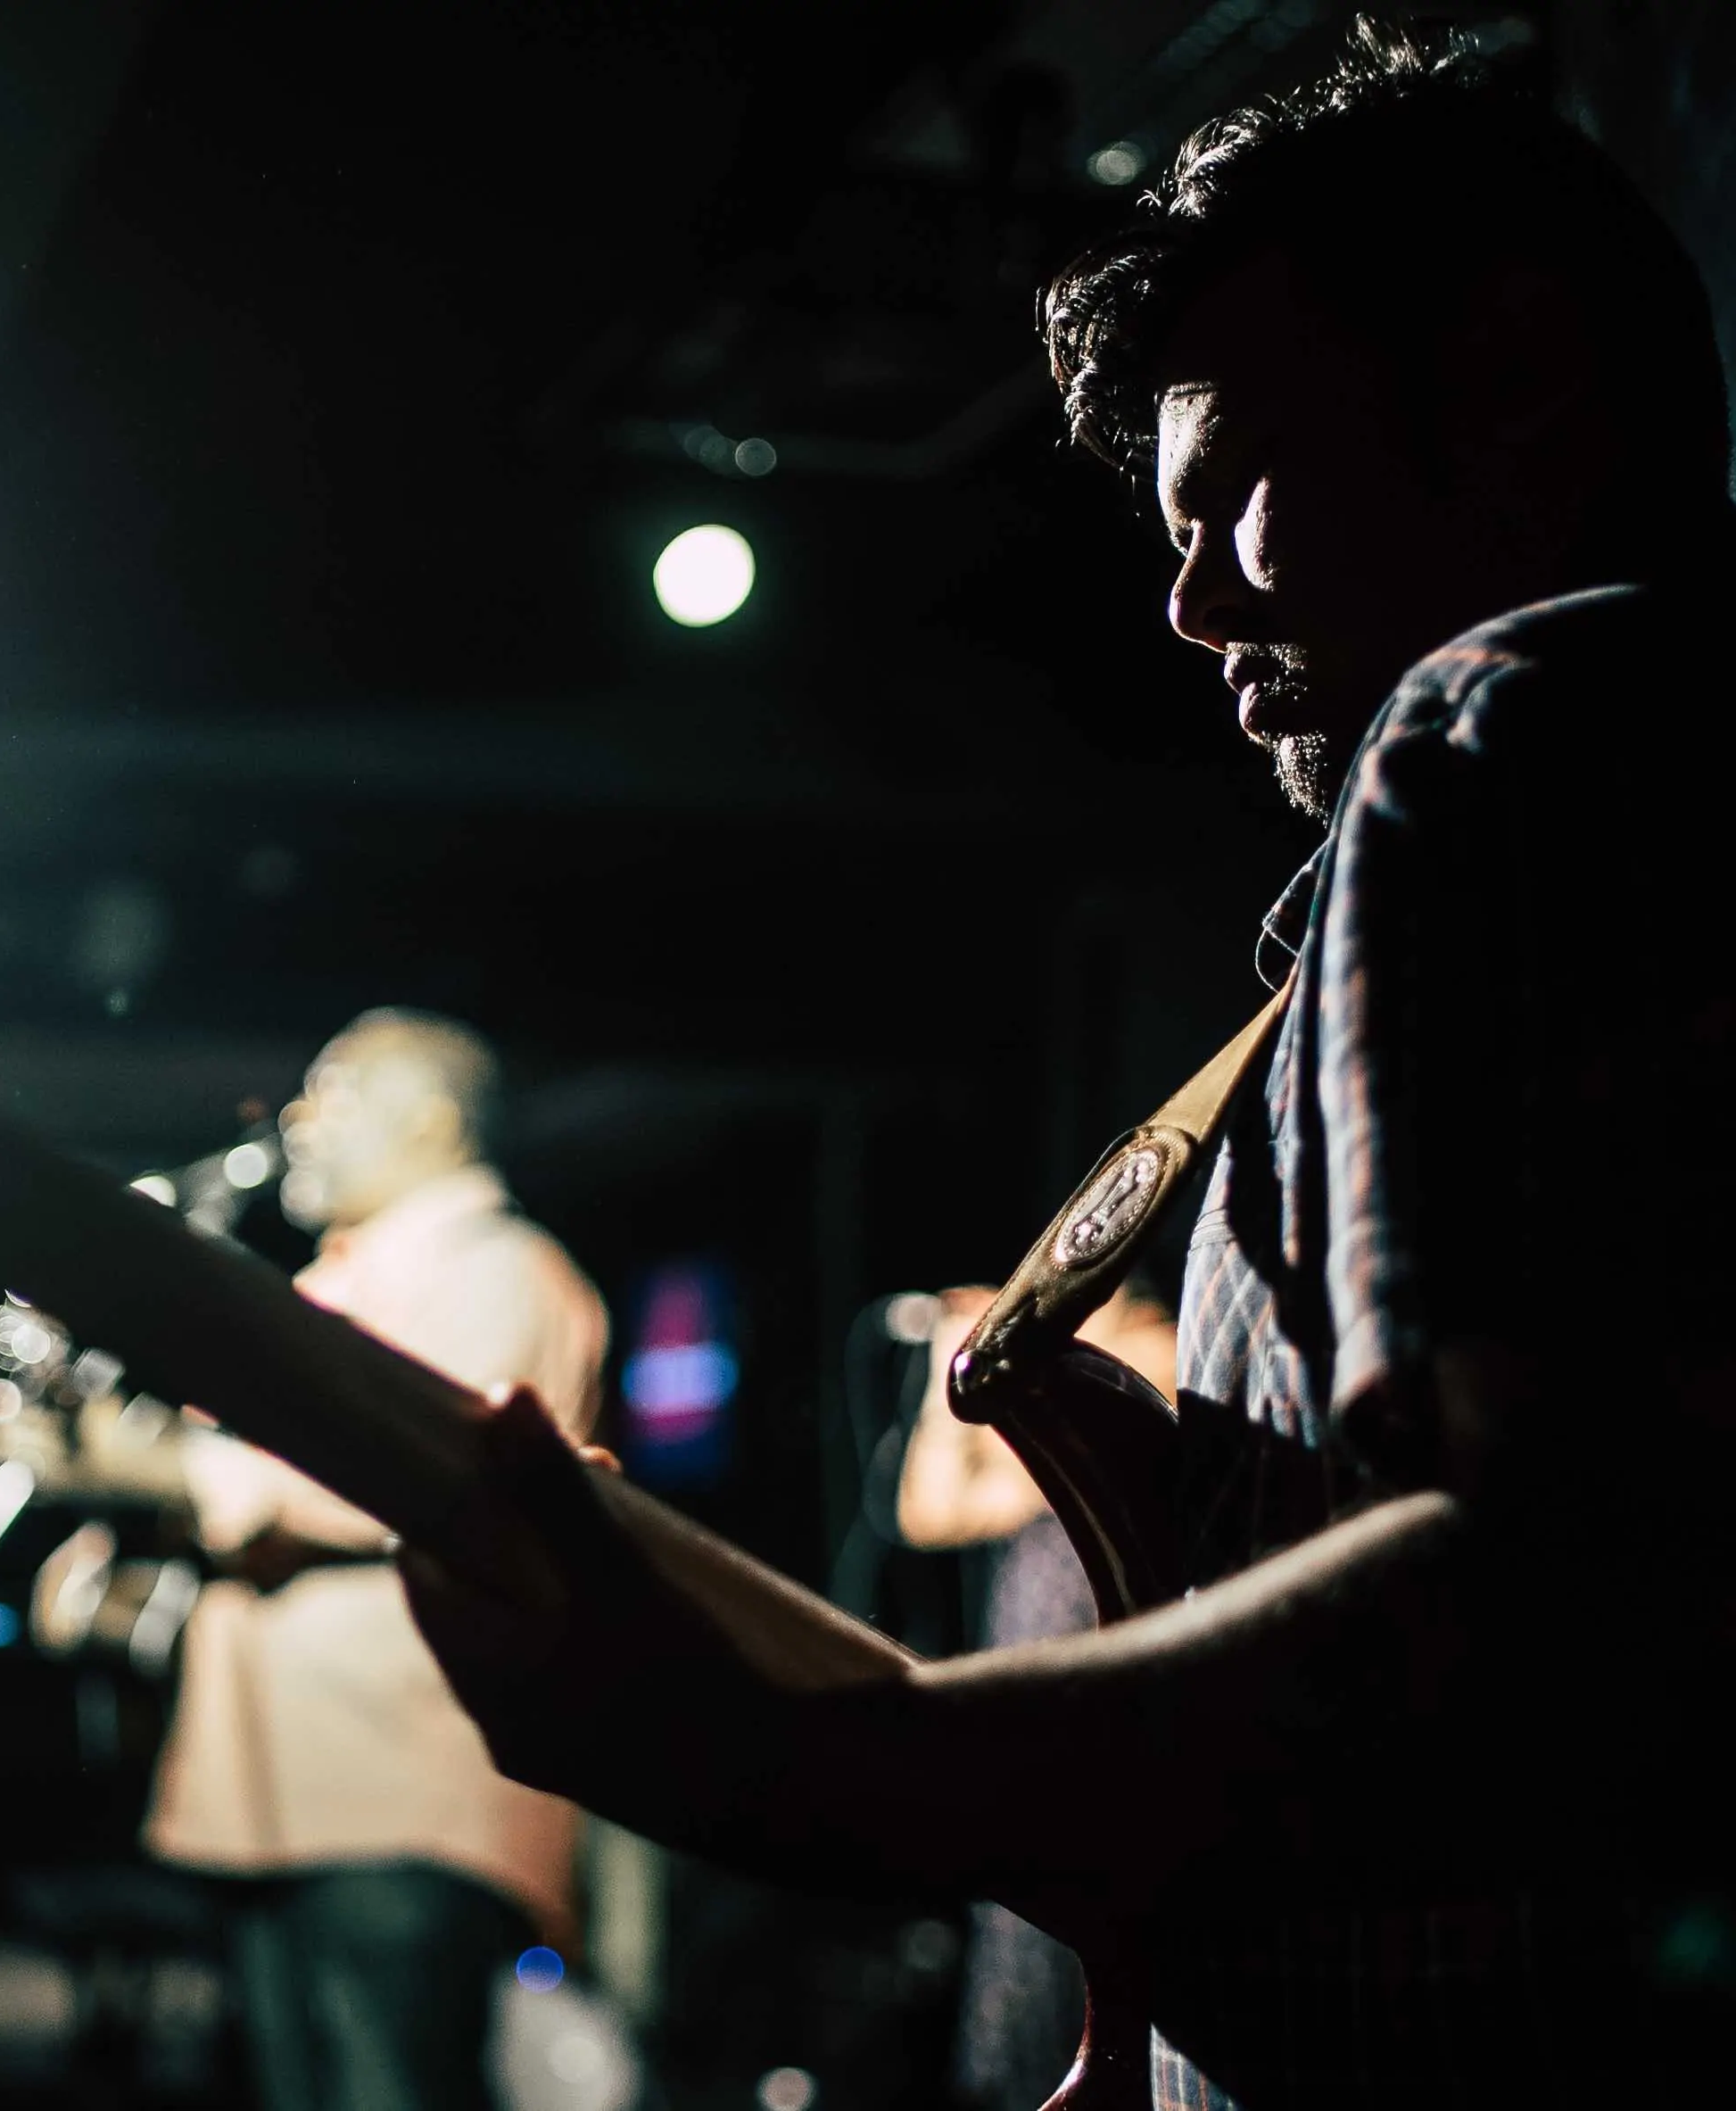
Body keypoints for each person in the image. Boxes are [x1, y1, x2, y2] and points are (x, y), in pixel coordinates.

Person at [395, 22, 1736, 2108]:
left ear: (1515, 380)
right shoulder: (1607, 799)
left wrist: (810, 1761)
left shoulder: (1500, 721)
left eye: (1239, 491)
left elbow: (1532, 1610)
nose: (1190, 605)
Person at [117, 1010, 607, 2111]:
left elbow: (405, 1474)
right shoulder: (336, 1282)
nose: (298, 1117)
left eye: (332, 1089)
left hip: (399, 1799)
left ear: (432, 1120)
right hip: (287, 1793)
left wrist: (154, 1467)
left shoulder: (499, 1271)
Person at [897, 1283, 1175, 2108]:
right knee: (1030, 1905)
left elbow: (956, 1505)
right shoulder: (1059, 1383)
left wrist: (974, 1366)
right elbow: (926, 1511)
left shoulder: (1145, 1361)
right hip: (1042, 1656)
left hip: (1094, 1670)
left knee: (1070, 1903)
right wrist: (948, 1371)